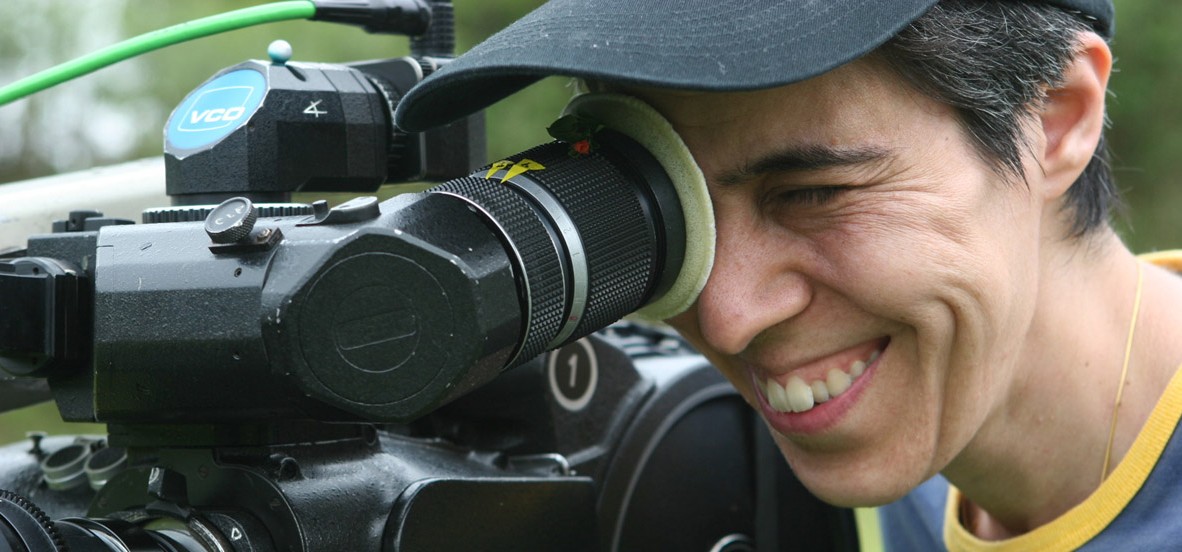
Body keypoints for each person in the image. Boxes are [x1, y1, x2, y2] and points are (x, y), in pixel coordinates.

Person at [396, 0, 1182, 549]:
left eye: (814, 195)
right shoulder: (897, 446)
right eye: (670, 210)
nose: (729, 317)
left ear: (1055, 116)